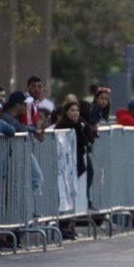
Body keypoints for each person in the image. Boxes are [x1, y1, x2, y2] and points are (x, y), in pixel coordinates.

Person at [55, 101, 97, 238]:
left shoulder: (80, 124)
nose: (75, 113)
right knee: (64, 194)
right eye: (72, 110)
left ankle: (69, 226)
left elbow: (89, 140)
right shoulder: (63, 126)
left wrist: (85, 128)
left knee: (73, 194)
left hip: (76, 164)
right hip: (65, 165)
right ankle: (63, 225)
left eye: (77, 110)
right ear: (66, 112)